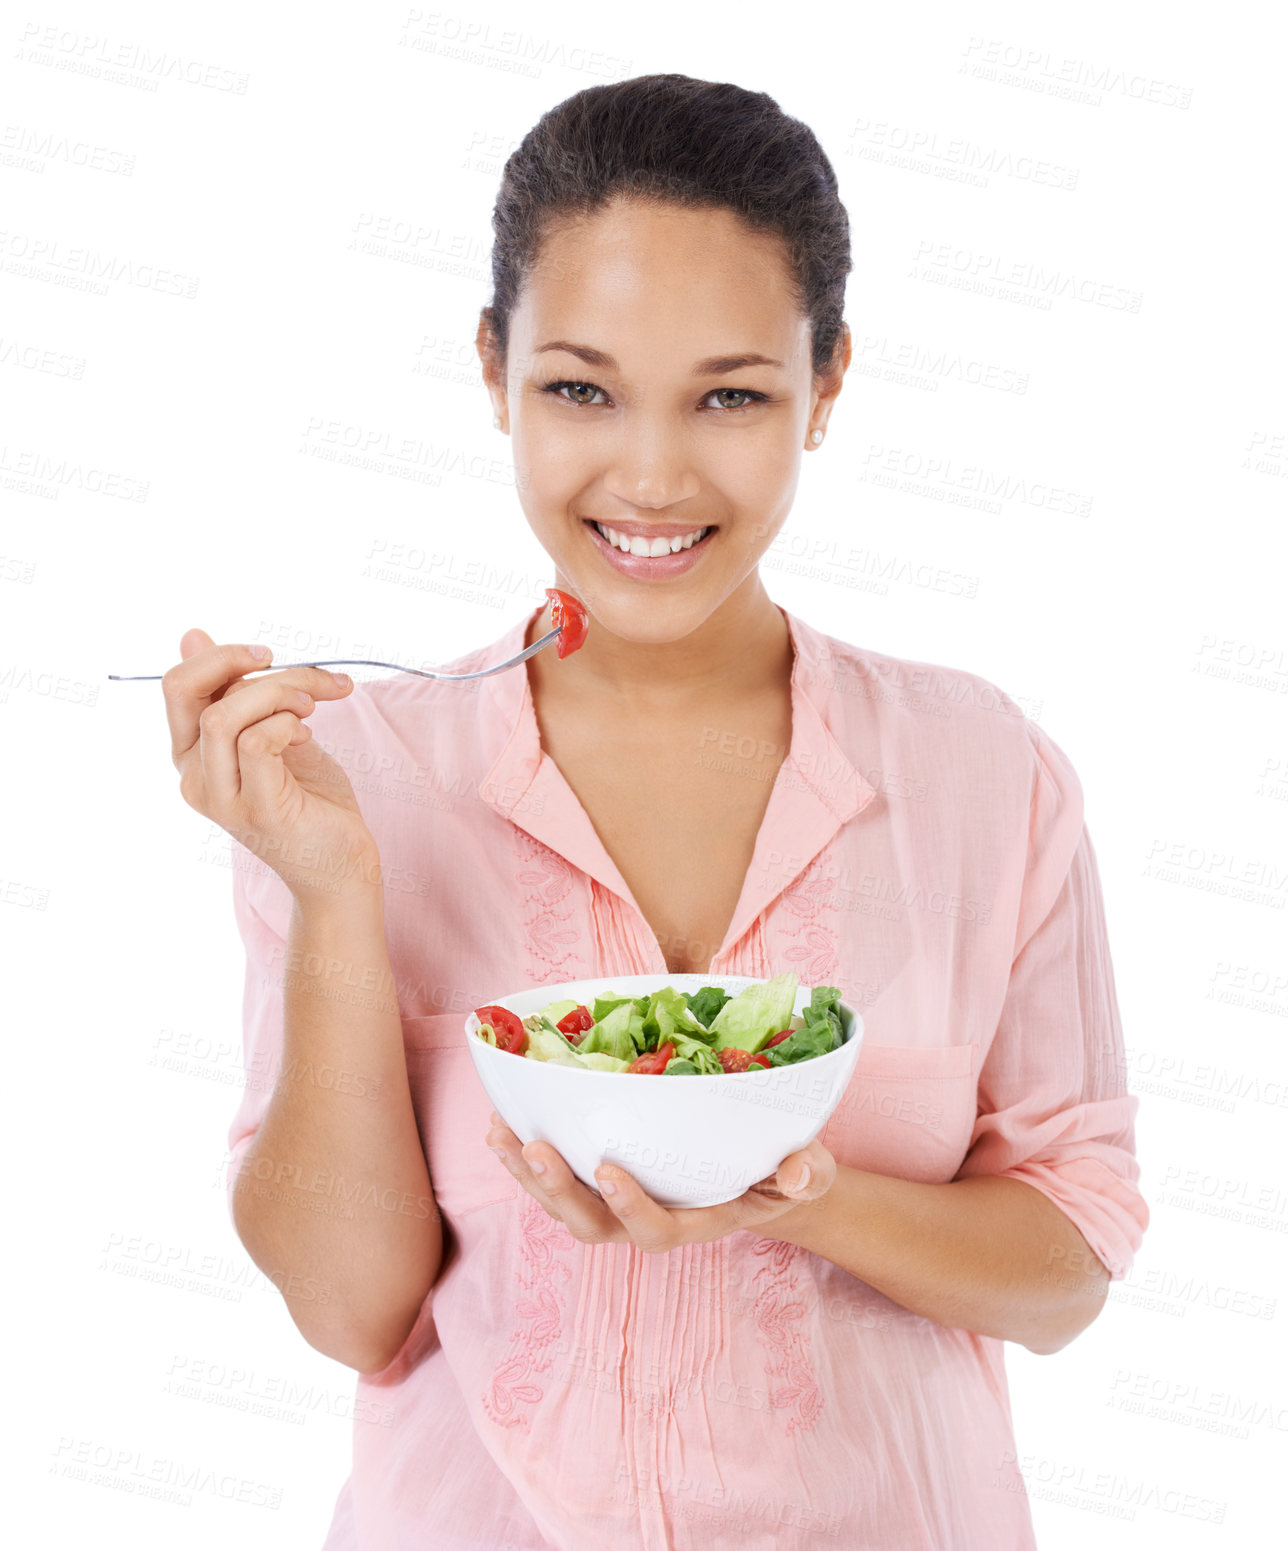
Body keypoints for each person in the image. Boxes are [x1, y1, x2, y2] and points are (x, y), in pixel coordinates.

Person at [163, 74, 1149, 1551]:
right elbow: (345, 1306)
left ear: (826, 390)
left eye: (732, 394)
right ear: (493, 371)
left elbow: (1067, 1271)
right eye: (580, 388)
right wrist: (335, 897)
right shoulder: (352, 777)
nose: (652, 473)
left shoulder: (984, 772)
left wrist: (794, 1197)